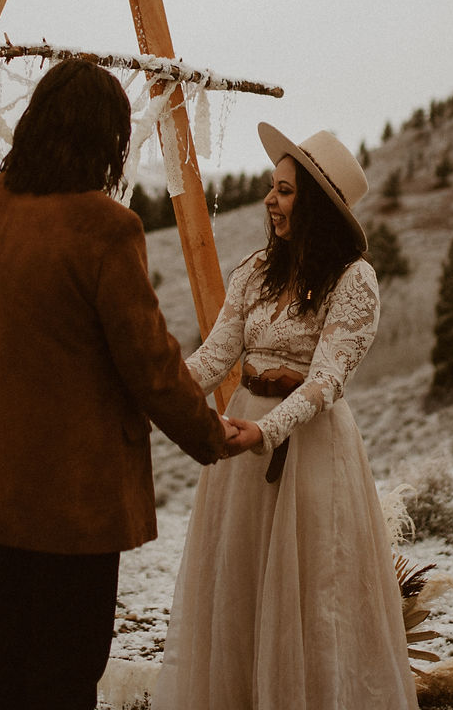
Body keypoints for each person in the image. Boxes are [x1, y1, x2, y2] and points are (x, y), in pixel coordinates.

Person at [0, 59, 235, 710]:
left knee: (16, 650)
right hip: (71, 492)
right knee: (70, 667)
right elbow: (150, 366)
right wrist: (214, 435)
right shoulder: (102, 227)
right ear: (109, 141)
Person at [153, 122, 419, 710]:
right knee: (243, 580)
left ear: (317, 206)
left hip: (310, 449)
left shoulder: (354, 281)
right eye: (273, 188)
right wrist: (153, 392)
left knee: (310, 587)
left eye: (285, 190)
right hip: (242, 443)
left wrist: (265, 431)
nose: (269, 200)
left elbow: (327, 380)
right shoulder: (254, 271)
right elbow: (214, 355)